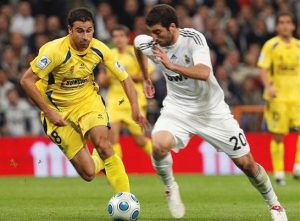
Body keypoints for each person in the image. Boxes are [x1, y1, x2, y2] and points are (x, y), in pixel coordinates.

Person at [134, 4, 287, 221]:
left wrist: (172, 65)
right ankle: (170, 187)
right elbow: (137, 46)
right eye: (151, 32)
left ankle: (275, 205)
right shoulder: (151, 43)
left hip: (213, 111)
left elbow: (205, 72)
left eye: (158, 32)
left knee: (247, 165)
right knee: (158, 145)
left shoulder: (193, 39)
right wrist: (146, 77)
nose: (154, 38)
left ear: (173, 27)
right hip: (178, 109)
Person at [20, 8, 147, 194]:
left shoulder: (99, 48)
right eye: (80, 30)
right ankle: (100, 159)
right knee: (88, 173)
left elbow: (124, 77)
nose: (85, 36)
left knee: (104, 143)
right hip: (57, 109)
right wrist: (48, 111)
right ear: (69, 30)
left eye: (89, 30)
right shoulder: (54, 51)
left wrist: (135, 107)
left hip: (88, 102)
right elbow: (26, 80)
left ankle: (126, 198)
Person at [257, 12, 300, 185]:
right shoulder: (271, 45)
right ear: (276, 27)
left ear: (293, 26)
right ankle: (279, 172)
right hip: (278, 98)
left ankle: (297, 165)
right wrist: (268, 87)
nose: (285, 25)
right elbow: (263, 69)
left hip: (297, 97)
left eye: (288, 22)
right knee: (278, 136)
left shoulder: (298, 46)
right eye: (281, 22)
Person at [98, 25, 153, 158]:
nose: (118, 39)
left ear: (128, 38)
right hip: (114, 100)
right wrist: (105, 79)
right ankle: (119, 171)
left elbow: (148, 75)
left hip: (134, 100)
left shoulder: (135, 53)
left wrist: (124, 75)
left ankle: (160, 159)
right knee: (112, 137)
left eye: (121, 36)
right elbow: (103, 79)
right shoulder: (109, 54)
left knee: (139, 140)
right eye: (115, 36)